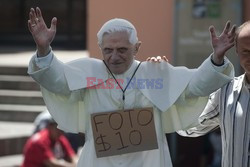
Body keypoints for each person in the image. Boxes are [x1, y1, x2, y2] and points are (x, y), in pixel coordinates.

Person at [27, 7, 235, 167]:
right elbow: (56, 81)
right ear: (100, 48)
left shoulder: (155, 72)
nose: (114, 56)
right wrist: (43, 49)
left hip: (148, 161)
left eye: (122, 49)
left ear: (137, 48)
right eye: (108, 50)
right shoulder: (88, 73)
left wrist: (216, 59)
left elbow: (194, 87)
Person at [178, 21, 250, 167]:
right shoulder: (226, 93)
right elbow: (188, 127)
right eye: (246, 52)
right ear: (236, 50)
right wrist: (163, 80)